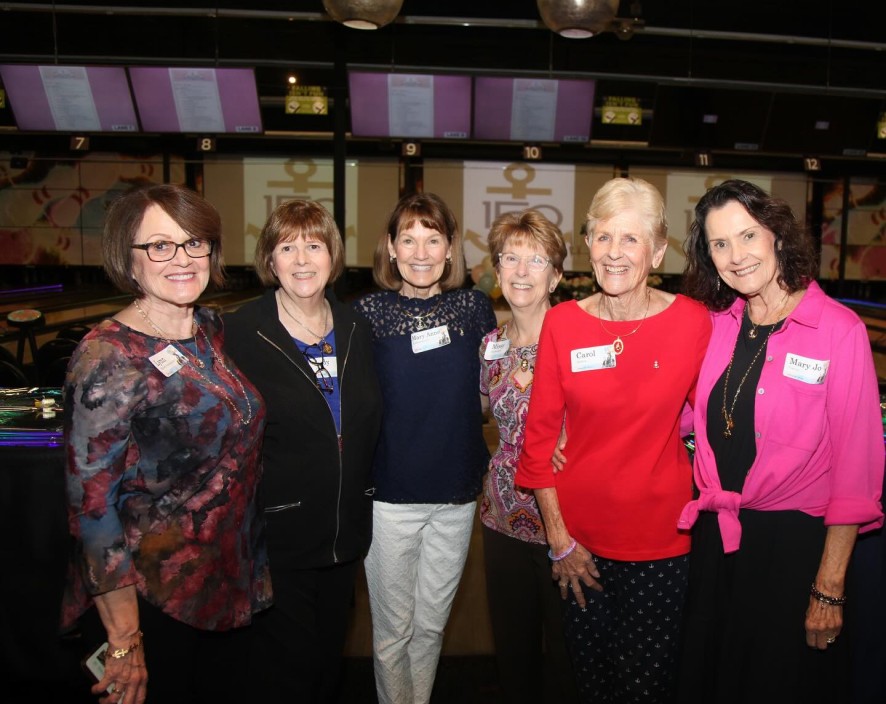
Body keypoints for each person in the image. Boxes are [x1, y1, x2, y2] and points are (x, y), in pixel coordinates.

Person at [677, 178, 884, 703]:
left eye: (747, 236)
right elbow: (685, 415)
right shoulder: (716, 324)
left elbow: (856, 472)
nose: (736, 256)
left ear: (776, 235)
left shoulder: (839, 329)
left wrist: (829, 587)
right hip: (715, 540)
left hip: (792, 552)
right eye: (719, 244)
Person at [63, 183, 270, 704]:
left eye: (193, 243)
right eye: (159, 246)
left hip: (226, 587)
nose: (182, 258)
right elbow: (91, 509)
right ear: (130, 261)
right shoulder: (108, 357)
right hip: (154, 599)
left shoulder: (209, 330)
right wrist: (124, 639)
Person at [515, 177, 711, 703]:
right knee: (592, 682)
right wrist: (560, 542)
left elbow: (716, 422)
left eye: (631, 239)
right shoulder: (562, 324)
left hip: (662, 544)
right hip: (579, 545)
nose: (614, 253)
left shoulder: (694, 323)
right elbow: (536, 448)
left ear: (659, 250)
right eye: (603, 237)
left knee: (645, 686)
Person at [223, 200, 382, 703]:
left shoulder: (356, 326)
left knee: (328, 663)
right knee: (286, 669)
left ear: (332, 255)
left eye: (313, 245)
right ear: (269, 260)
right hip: (277, 533)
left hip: (344, 530)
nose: (301, 259)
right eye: (286, 247)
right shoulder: (241, 332)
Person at [353, 192, 497, 704]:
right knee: (394, 634)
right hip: (390, 498)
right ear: (390, 248)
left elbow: (490, 393)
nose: (420, 251)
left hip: (456, 494)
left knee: (431, 628)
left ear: (450, 248)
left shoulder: (474, 308)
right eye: (408, 239)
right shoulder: (366, 314)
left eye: (432, 239)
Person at [479, 209, 578, 704]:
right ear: (497, 273)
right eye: (510, 258)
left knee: (566, 656)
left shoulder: (580, 342)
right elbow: (473, 417)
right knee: (513, 654)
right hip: (501, 520)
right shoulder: (490, 348)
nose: (521, 271)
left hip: (565, 524)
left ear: (556, 275)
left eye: (536, 259)